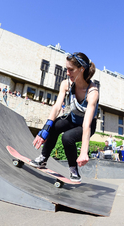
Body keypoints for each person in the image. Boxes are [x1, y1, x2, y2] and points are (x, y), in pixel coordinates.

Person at [31, 52, 99, 182]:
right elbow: (57, 107)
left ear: (82, 69)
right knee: (55, 125)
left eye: (71, 70)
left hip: (86, 125)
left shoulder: (92, 92)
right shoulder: (66, 84)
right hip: (73, 118)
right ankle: (43, 159)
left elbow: (86, 125)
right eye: (66, 69)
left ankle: (73, 169)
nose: (67, 73)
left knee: (67, 137)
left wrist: (84, 151)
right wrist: (45, 129)